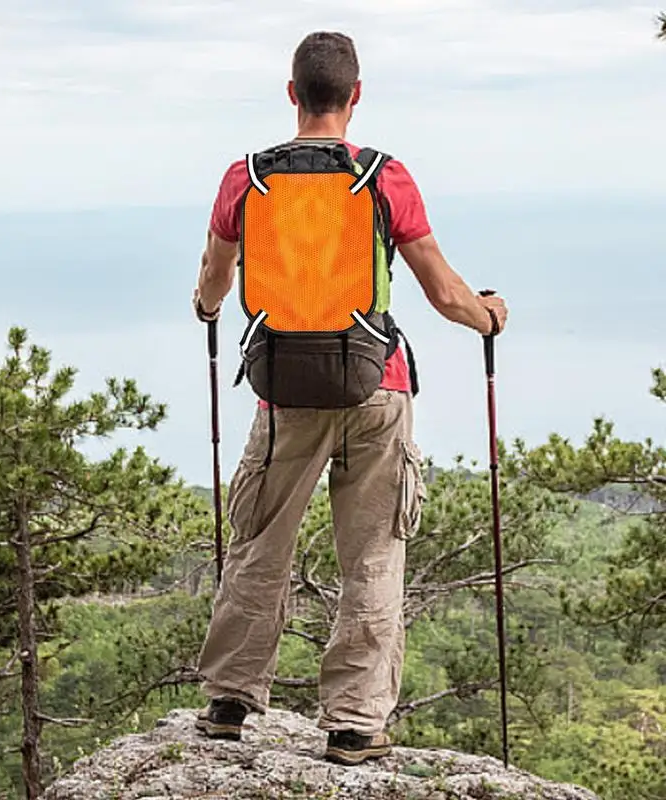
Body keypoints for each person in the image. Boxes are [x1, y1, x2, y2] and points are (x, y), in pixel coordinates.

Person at [190, 30, 508, 767]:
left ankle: (231, 699)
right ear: (355, 96)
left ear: (293, 94)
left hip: (283, 392)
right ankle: (357, 723)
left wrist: (207, 310)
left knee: (259, 543)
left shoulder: (247, 178)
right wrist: (490, 314)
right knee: (372, 554)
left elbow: (214, 276)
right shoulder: (382, 178)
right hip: (377, 387)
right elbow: (443, 292)